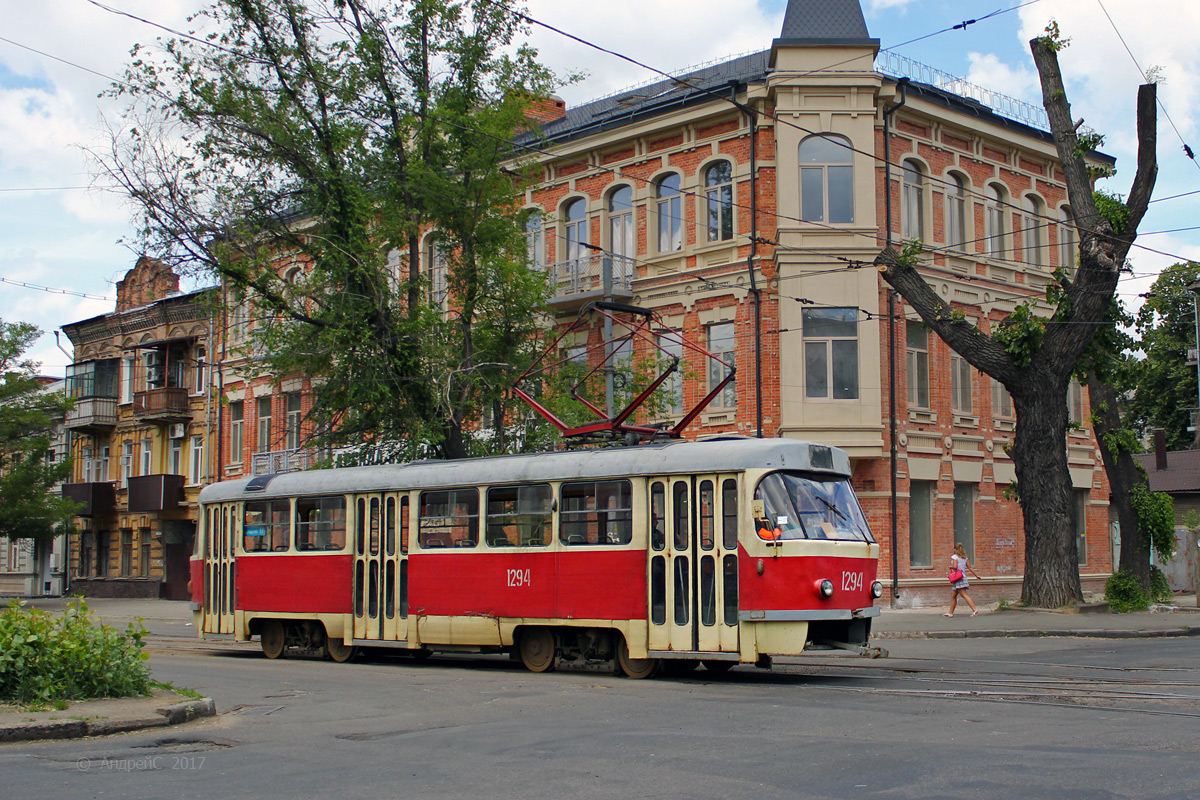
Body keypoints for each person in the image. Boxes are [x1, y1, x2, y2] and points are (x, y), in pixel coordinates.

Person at [945, 542, 982, 617]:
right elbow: (970, 567)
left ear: (955, 549)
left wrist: (950, 567)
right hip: (963, 577)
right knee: (953, 595)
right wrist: (976, 575)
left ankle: (975, 610)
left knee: (964, 595)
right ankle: (950, 613)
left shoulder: (954, 557)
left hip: (957, 578)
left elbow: (955, 566)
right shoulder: (965, 558)